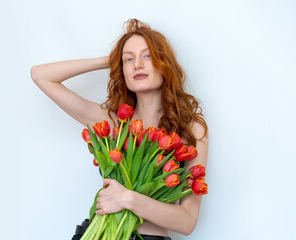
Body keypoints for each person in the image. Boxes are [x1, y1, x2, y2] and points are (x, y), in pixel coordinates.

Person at [30, 19, 209, 240]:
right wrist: (110, 60)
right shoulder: (114, 123)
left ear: (164, 63)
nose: (138, 65)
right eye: (129, 59)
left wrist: (128, 199)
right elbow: (40, 75)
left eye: (148, 55)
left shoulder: (190, 129)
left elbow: (187, 221)